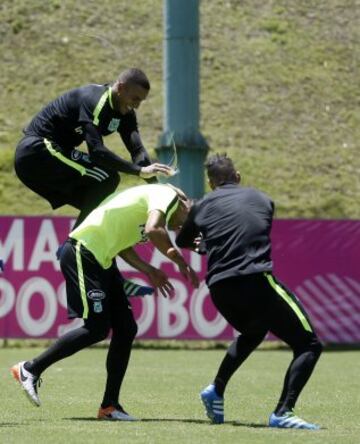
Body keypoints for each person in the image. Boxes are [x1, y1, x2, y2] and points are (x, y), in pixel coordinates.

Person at [11, 183, 199, 420]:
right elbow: (153, 229)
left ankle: (110, 407)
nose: (181, 228)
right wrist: (181, 262)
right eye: (185, 222)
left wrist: (149, 269)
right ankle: (30, 369)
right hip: (83, 252)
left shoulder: (158, 203)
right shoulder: (167, 196)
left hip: (103, 260)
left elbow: (123, 246)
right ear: (184, 205)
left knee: (126, 328)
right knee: (97, 328)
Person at [176, 154, 322, 430]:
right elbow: (249, 227)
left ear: (210, 183)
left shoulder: (202, 205)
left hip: (220, 288)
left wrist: (203, 245)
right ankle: (283, 412)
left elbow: (184, 239)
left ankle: (216, 389)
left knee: (254, 331)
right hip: (254, 281)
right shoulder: (262, 199)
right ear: (238, 176)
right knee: (309, 345)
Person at [14, 67, 172, 297]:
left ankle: (113, 277)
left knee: (103, 212)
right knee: (108, 178)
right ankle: (72, 246)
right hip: (37, 151)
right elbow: (97, 152)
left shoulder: (125, 112)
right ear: (120, 87)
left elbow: (137, 150)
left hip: (51, 158)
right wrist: (139, 171)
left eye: (141, 101)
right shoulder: (95, 101)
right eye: (135, 99)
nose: (137, 105)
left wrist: (159, 189)